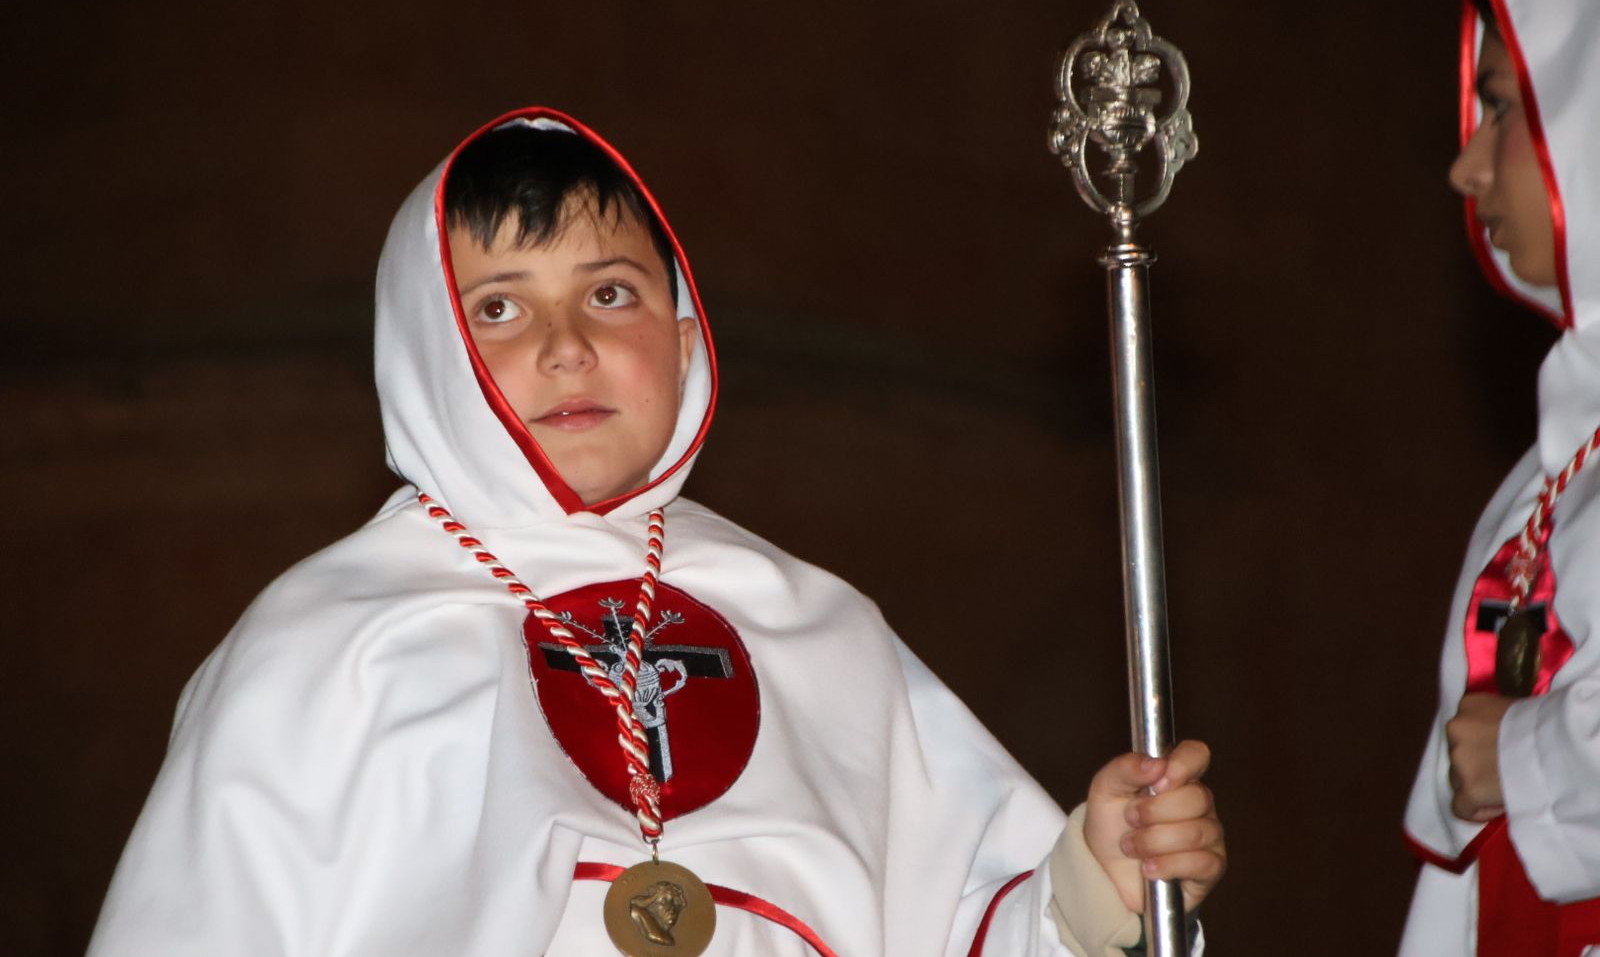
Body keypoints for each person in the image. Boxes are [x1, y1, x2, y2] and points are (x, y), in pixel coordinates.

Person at [86, 111, 1224, 956]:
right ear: (423, 355)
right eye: (498, 308)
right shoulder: (320, 645)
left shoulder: (811, 624)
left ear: (685, 338)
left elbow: (969, 923)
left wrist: (1091, 877)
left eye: (611, 293)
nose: (566, 344)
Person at [1401, 0, 1600, 957]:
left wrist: (1519, 757)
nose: (1466, 168)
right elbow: (1463, 873)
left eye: (1501, 112)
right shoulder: (1548, 473)